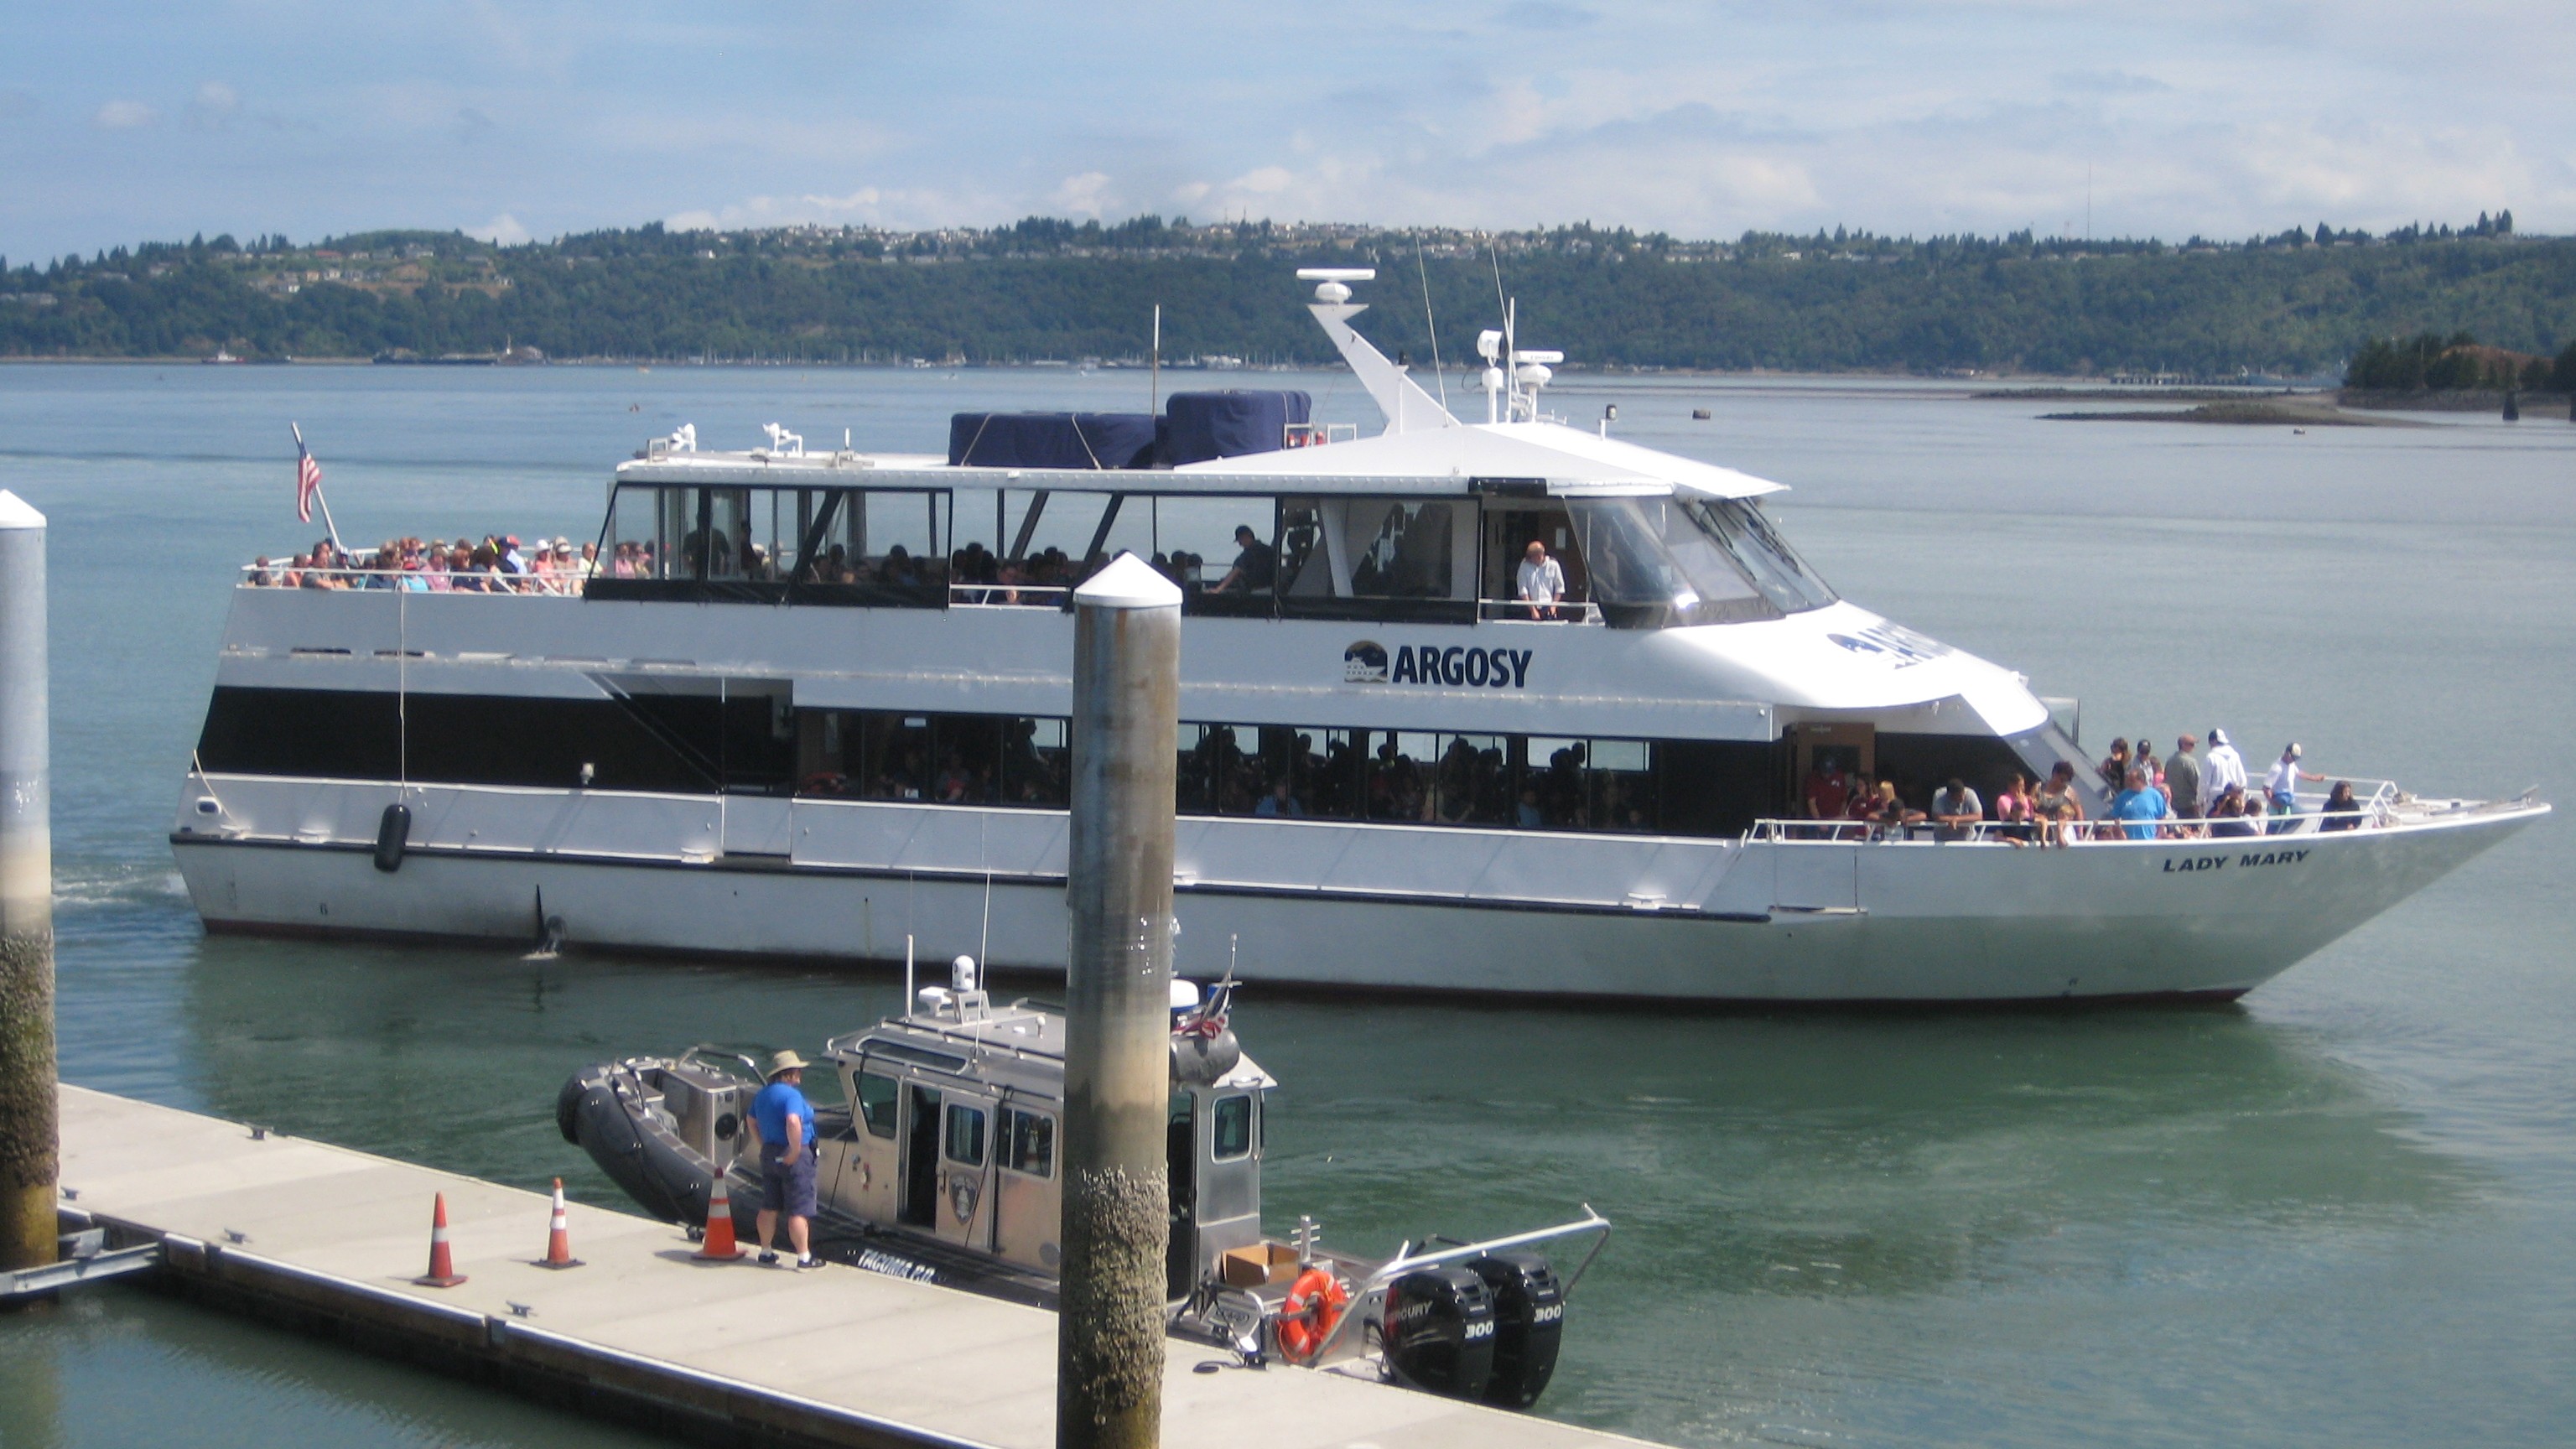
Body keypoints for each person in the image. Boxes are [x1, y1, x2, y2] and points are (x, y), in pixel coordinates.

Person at [749, 1049, 820, 1270]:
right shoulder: (792, 1096)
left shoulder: (763, 1094)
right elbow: (792, 1121)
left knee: (770, 1204)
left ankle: (766, 1251)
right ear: (789, 1073)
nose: (800, 1074)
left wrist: (763, 1145)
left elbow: (751, 1120)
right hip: (794, 1155)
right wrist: (795, 1151)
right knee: (798, 1209)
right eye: (798, 1070)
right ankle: (804, 1257)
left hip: (770, 1152)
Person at [2264, 743, 2324, 829]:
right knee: (2273, 826)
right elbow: (2266, 788)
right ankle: (2271, 839)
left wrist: (2314, 778)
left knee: (2300, 815)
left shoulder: (2291, 764)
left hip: (2289, 801)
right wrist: (2273, 803)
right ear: (2287, 754)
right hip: (2277, 802)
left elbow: (2298, 773)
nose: (2294, 760)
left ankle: (2283, 834)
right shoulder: (2277, 768)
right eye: (2294, 758)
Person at [1209, 525, 1275, 595]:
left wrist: (1218, 589)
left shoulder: (1249, 553)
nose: (1240, 544)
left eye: (1240, 541)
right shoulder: (1269, 550)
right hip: (1272, 590)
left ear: (1246, 536)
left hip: (1258, 593)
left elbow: (1235, 571)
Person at [2111, 766, 2169, 841]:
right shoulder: (2122, 797)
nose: (2128, 783)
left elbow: (2162, 818)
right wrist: (2121, 834)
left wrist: (2158, 837)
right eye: (2128, 780)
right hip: (2129, 843)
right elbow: (2115, 818)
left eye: (2132, 780)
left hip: (2150, 841)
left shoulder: (2155, 795)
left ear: (2141, 781)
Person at [1515, 539, 1566, 621]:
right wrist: (1533, 610)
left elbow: (1560, 588)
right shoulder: (1524, 566)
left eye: (1531, 557)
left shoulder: (1553, 565)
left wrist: (1553, 606)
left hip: (1548, 607)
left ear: (1539, 556)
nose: (1529, 559)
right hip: (1529, 607)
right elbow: (1522, 589)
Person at [2200, 728, 2247, 815]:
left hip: (2215, 801)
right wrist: (2241, 799)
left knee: (2212, 826)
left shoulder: (2211, 757)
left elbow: (2204, 784)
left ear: (2212, 742)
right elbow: (2243, 781)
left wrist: (2200, 801)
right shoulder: (2235, 756)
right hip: (2233, 801)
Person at [1801, 756, 1852, 828]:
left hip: (1835, 821)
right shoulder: (1813, 778)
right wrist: (1819, 822)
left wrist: (1840, 820)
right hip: (1816, 821)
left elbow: (1844, 800)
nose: (1827, 775)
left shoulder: (1839, 777)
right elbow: (1811, 802)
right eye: (1825, 772)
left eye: (1829, 772)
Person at [1929, 776, 1983, 842]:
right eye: (1959, 796)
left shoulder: (1971, 794)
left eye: (1963, 794)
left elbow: (1978, 816)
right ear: (1950, 795)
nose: (1962, 798)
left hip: (1968, 840)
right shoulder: (1939, 795)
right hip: (1943, 841)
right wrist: (1953, 820)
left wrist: (1956, 820)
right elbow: (1938, 817)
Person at [2165, 735, 2202, 825]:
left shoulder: (2170, 761)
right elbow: (2198, 784)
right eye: (2191, 744)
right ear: (2183, 745)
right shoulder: (2190, 762)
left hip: (2173, 805)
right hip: (2189, 805)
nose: (2194, 747)